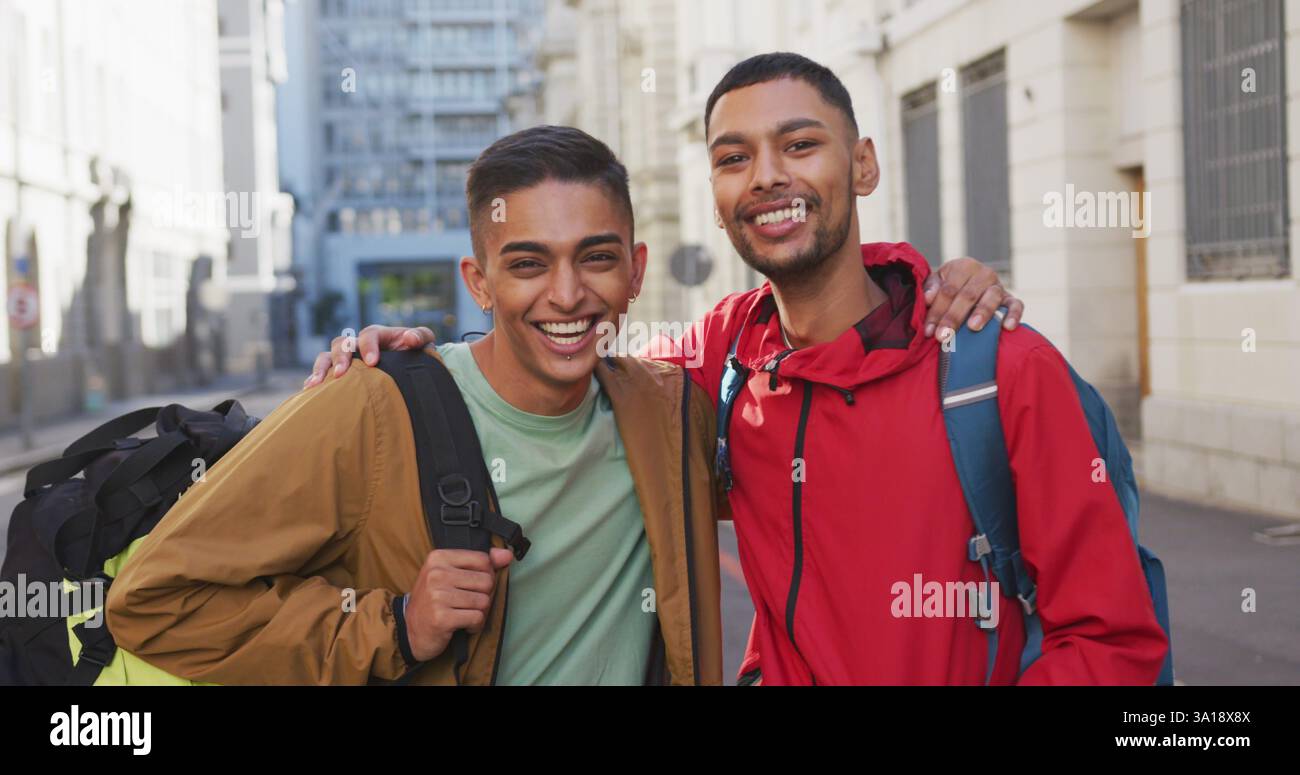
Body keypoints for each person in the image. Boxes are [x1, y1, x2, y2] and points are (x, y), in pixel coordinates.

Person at [326, 53, 1168, 685]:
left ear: (864, 165)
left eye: (800, 144)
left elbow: (1113, 642)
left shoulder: (1002, 369)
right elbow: (560, 351)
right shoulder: (714, 365)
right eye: (734, 158)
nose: (768, 176)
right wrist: (411, 360)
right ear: (720, 197)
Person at [106, 126, 725, 685]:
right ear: (478, 282)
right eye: (528, 264)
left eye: (596, 258)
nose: (567, 294)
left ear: (636, 271)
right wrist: (398, 626)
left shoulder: (671, 414)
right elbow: (154, 600)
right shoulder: (369, 406)